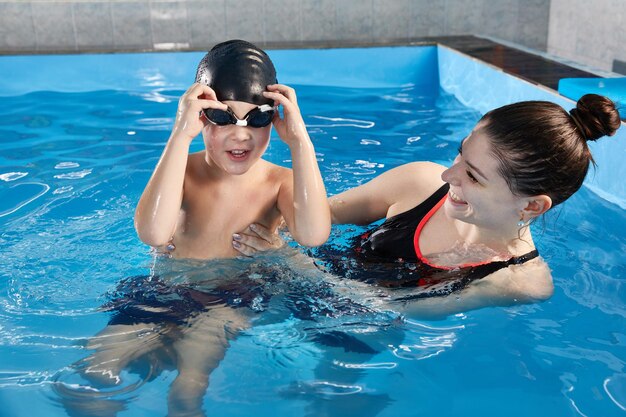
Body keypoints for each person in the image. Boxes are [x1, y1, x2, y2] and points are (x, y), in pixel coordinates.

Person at [233, 94, 622, 318]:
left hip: (350, 339)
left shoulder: (517, 280)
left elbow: (389, 309)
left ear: (533, 206)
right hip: (282, 288)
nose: (448, 176)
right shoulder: (419, 183)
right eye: (459, 155)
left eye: (473, 176)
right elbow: (320, 214)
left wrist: (289, 260)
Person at [134, 39, 331, 259]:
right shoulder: (181, 173)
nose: (240, 135)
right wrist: (180, 135)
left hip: (250, 289)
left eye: (258, 118)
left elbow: (313, 237)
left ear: (273, 117)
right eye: (222, 116)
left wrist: (300, 143)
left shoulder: (279, 183)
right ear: (201, 114)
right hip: (174, 290)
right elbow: (153, 234)